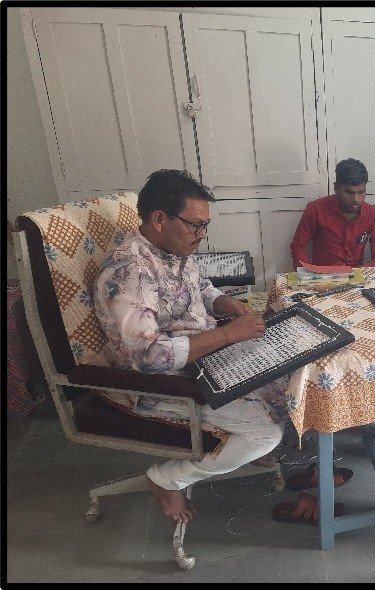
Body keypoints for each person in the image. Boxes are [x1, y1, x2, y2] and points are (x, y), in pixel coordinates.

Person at [93, 169, 285, 524]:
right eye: (195, 225)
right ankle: (167, 479)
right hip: (163, 382)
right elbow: (148, 357)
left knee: (288, 377)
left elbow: (199, 285)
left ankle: (235, 445)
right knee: (267, 433)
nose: (202, 235)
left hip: (204, 357)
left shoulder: (174, 247)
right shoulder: (131, 272)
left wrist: (222, 302)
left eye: (204, 225)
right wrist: (227, 335)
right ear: (160, 219)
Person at [290, 158, 375, 269]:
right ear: (336, 188)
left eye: (361, 192)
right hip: (323, 275)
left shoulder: (373, 215)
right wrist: (306, 272)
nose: (356, 199)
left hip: (358, 274)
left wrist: (357, 273)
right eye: (349, 192)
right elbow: (298, 245)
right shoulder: (316, 209)